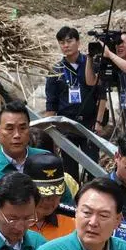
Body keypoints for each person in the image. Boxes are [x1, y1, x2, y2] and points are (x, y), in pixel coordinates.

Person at [0, 101, 75, 230]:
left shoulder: (45, 160)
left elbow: (67, 205)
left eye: (22, 128)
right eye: (9, 128)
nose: (17, 135)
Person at [44, 26, 105, 178]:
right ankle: (73, 199)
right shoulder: (56, 70)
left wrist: (98, 122)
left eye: (69, 41)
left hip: (89, 124)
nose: (65, 45)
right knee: (69, 170)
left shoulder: (91, 63)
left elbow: (102, 96)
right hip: (66, 125)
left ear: (78, 42)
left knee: (92, 167)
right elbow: (51, 103)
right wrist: (48, 130)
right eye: (62, 42)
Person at [26, 152, 76, 240]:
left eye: (55, 195)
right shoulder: (11, 222)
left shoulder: (73, 223)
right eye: (42, 196)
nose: (48, 201)